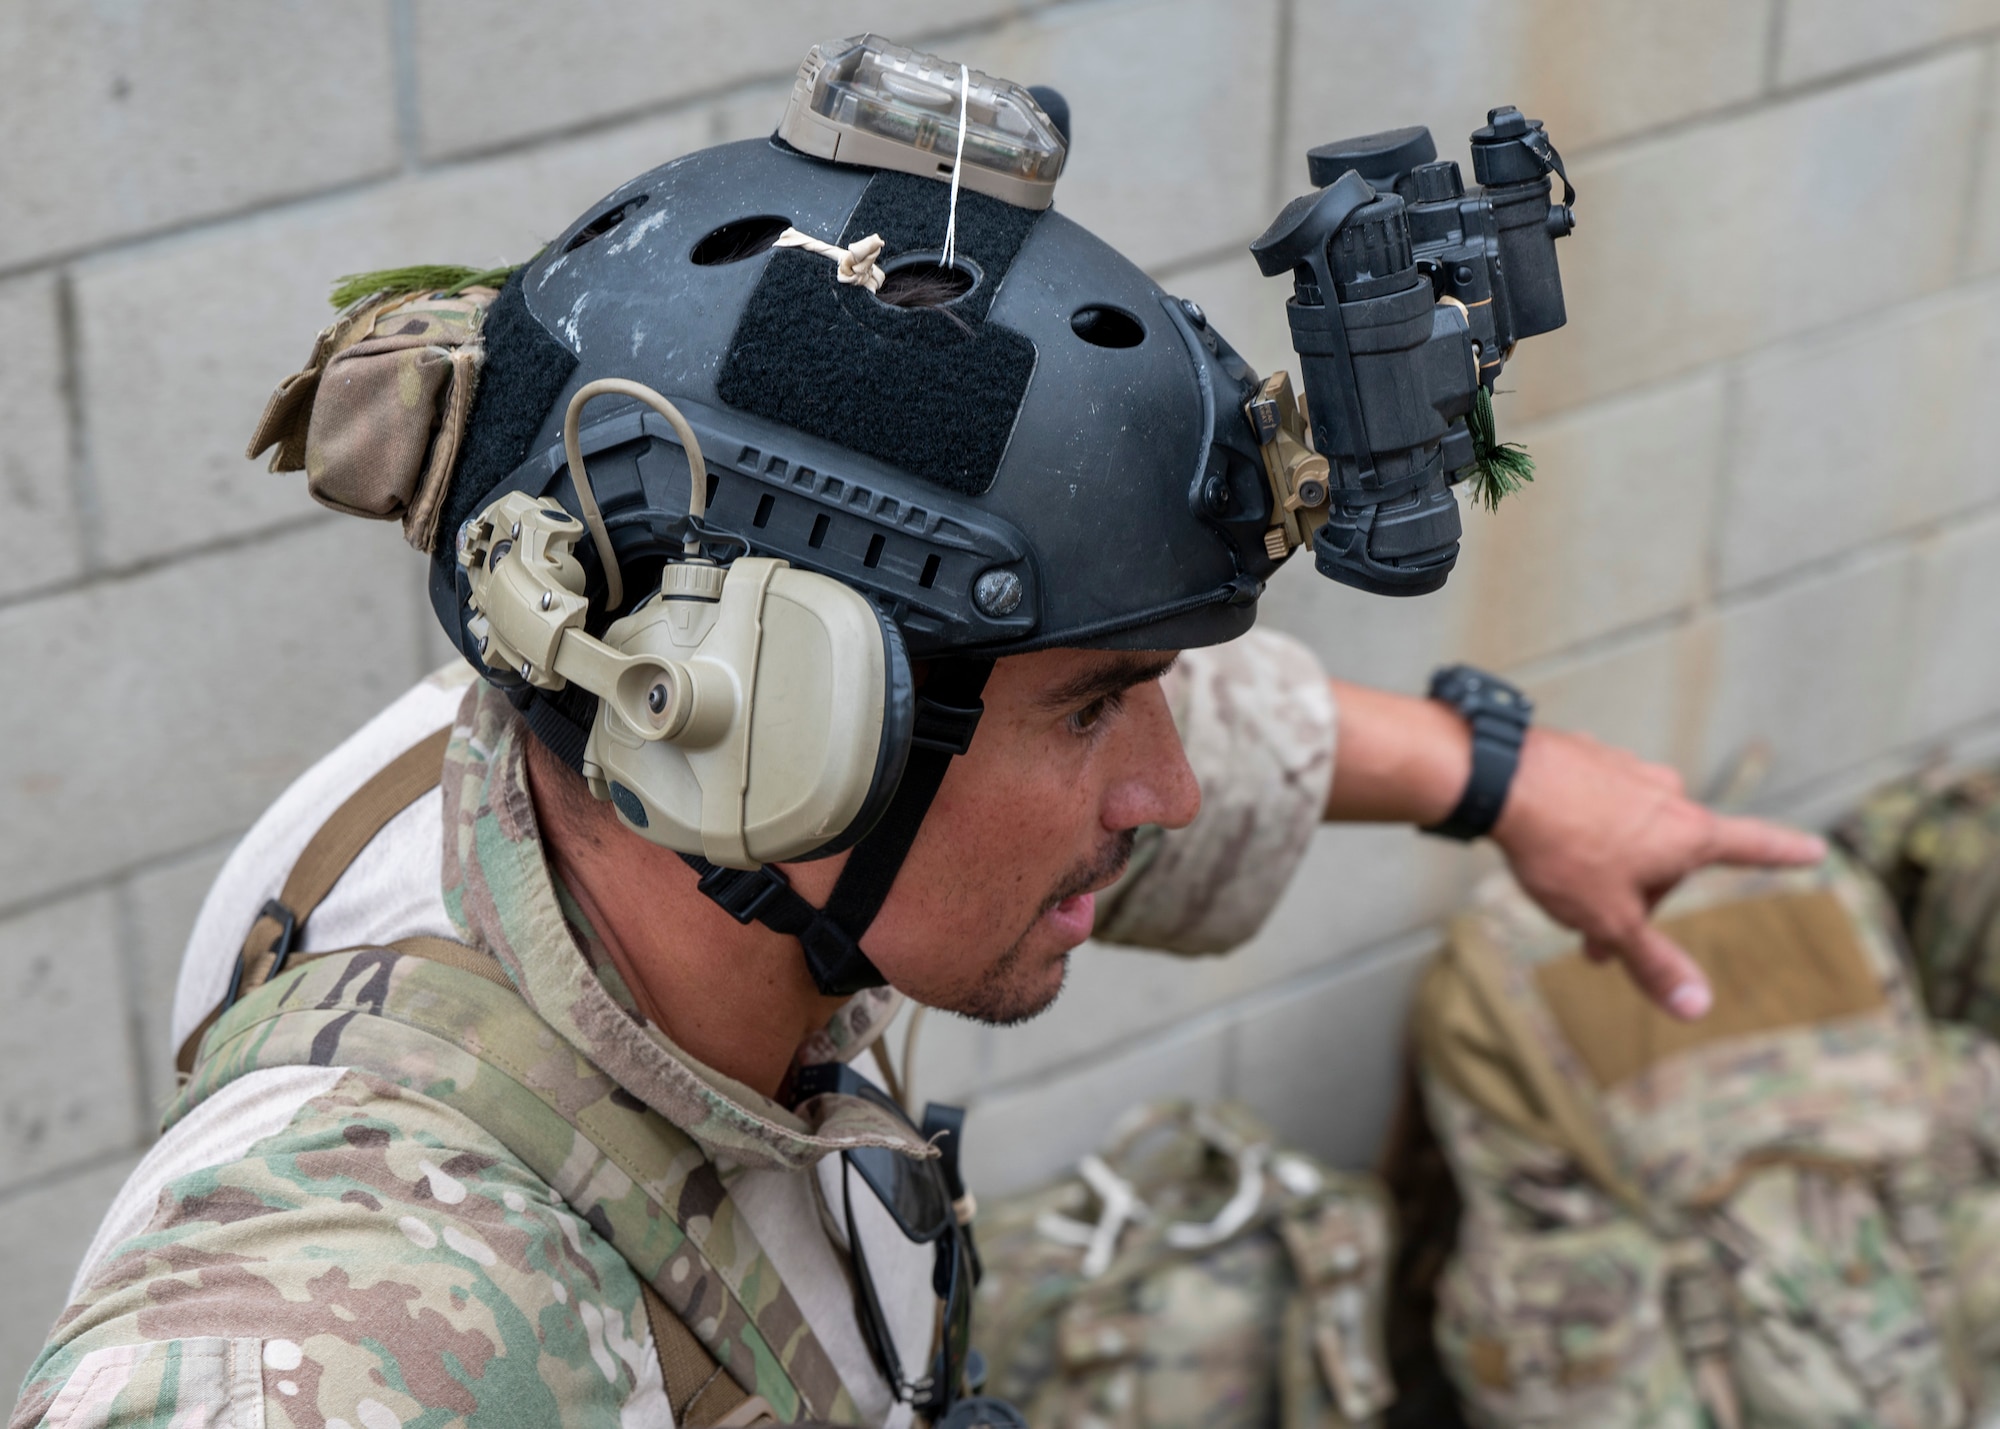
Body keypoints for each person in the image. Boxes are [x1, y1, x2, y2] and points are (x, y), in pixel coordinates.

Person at [10, 38, 1820, 1429]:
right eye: (1104, 701)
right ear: (765, 733)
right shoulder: (363, 1314)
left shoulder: (623, 765)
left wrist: (1505, 781)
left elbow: (1093, 767)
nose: (1163, 785)